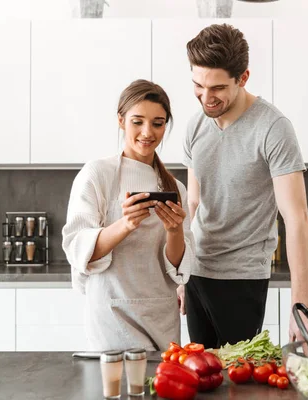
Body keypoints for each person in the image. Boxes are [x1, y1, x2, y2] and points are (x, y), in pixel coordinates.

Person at [181, 24, 308, 347]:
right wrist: (180, 275)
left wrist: (302, 307)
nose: (206, 97)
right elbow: (194, 206)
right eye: (198, 85)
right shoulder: (195, 126)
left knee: (240, 386)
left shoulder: (273, 128)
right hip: (196, 275)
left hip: (243, 278)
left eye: (217, 88)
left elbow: (296, 220)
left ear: (243, 78)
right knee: (203, 378)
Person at [62, 79, 193, 352]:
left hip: (161, 316)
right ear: (121, 121)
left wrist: (174, 230)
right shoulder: (96, 174)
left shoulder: (174, 187)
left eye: (158, 123)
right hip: (111, 316)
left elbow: (179, 268)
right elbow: (78, 249)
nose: (148, 132)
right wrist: (126, 225)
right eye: (137, 121)